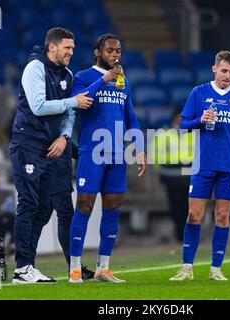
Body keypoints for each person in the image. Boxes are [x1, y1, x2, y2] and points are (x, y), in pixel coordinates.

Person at [9, 27, 94, 284]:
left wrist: (64, 137)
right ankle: (22, 267)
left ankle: (28, 267)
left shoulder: (66, 74)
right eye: (67, 48)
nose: (71, 52)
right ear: (52, 47)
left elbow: (69, 114)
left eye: (72, 48)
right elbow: (38, 106)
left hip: (51, 146)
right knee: (29, 204)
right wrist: (72, 102)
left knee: (44, 208)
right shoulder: (35, 68)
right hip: (28, 145)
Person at [169, 50, 230, 281]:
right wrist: (200, 120)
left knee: (221, 216)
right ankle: (187, 267)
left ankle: (216, 268)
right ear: (214, 69)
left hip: (229, 167)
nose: (228, 76)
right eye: (224, 71)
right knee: (194, 214)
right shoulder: (199, 93)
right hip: (202, 166)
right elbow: (183, 126)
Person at [68, 33, 146, 283]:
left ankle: (103, 267)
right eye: (110, 51)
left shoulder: (123, 80)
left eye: (118, 51)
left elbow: (130, 115)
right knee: (85, 207)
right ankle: (75, 268)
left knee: (112, 209)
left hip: (117, 155)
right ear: (97, 52)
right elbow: (82, 103)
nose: (115, 55)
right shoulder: (82, 76)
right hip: (92, 152)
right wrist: (104, 79)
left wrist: (140, 147)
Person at [151, 109, 193, 242]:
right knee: (175, 207)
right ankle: (179, 234)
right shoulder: (163, 133)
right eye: (178, 117)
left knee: (188, 207)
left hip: (188, 176)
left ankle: (187, 235)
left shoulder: (192, 133)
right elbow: (155, 153)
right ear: (173, 117)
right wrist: (160, 170)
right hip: (170, 176)